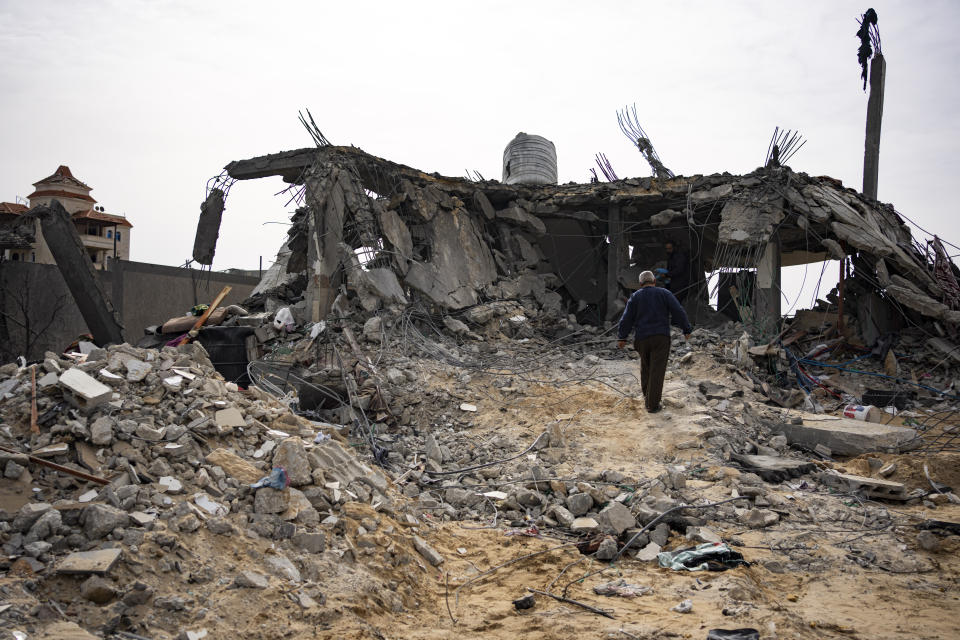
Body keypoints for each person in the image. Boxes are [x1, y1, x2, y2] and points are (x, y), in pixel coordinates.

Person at [617, 270, 692, 413]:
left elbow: (626, 319)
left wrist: (622, 337)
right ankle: (652, 404)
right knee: (657, 370)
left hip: (642, 338)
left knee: (646, 367)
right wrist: (686, 329)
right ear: (654, 282)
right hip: (661, 337)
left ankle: (648, 396)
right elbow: (678, 311)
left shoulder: (635, 297)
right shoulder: (664, 294)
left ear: (640, 284)